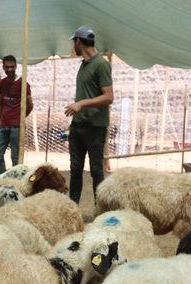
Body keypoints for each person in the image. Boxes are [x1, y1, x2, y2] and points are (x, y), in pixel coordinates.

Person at [65, 26, 114, 204]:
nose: (73, 47)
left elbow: (109, 97)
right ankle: (72, 207)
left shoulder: (100, 64)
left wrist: (81, 103)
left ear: (79, 41)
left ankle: (99, 209)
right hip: (78, 126)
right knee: (75, 169)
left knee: (96, 170)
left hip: (95, 127)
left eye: (74, 43)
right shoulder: (84, 65)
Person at [0, 55, 33, 175]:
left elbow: (30, 104)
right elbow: (1, 100)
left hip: (17, 126)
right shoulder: (2, 83)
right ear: (3, 67)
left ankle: (16, 181)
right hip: (4, 125)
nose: (10, 69)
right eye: (7, 67)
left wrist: (21, 117)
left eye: (12, 67)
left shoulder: (23, 84)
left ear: (16, 66)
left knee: (15, 157)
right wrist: (0, 113)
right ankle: (2, 178)